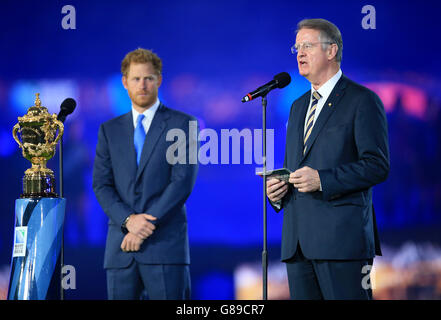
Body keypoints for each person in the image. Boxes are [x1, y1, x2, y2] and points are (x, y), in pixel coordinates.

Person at [267, 19, 389, 300]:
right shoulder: (297, 107)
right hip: (298, 246)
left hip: (342, 244)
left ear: (332, 50)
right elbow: (296, 169)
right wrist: (278, 192)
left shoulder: (362, 100)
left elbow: (377, 165)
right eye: (296, 47)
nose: (299, 53)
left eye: (307, 46)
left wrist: (322, 180)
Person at [93, 48, 198, 300]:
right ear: (125, 83)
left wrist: (142, 227)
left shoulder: (183, 124)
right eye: (136, 79)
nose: (143, 85)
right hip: (121, 249)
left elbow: (181, 182)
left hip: (165, 248)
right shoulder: (109, 131)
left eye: (149, 78)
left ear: (159, 80)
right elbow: (101, 185)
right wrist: (129, 221)